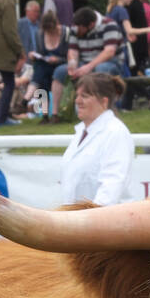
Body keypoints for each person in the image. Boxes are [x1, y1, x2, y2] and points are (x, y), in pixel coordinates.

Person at [60, 72, 133, 206]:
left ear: (104, 102)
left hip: (104, 222)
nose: (77, 101)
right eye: (77, 95)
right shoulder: (81, 131)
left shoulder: (116, 133)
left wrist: (86, 221)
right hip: (76, 221)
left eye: (85, 96)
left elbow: (111, 188)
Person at [52, 7, 127, 116]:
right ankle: (55, 114)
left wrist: (88, 67)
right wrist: (72, 63)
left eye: (80, 28)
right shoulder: (76, 27)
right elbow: (73, 49)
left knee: (101, 69)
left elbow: (109, 52)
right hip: (85, 62)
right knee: (59, 72)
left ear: (91, 25)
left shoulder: (110, 25)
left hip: (111, 63)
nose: (77, 30)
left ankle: (105, 109)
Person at [29, 11, 71, 122]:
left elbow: (71, 56)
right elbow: (40, 53)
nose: (49, 32)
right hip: (45, 65)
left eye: (51, 30)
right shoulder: (39, 34)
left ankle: (27, 100)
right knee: (40, 72)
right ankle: (44, 115)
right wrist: (34, 56)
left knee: (41, 73)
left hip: (62, 65)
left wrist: (58, 59)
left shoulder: (66, 33)